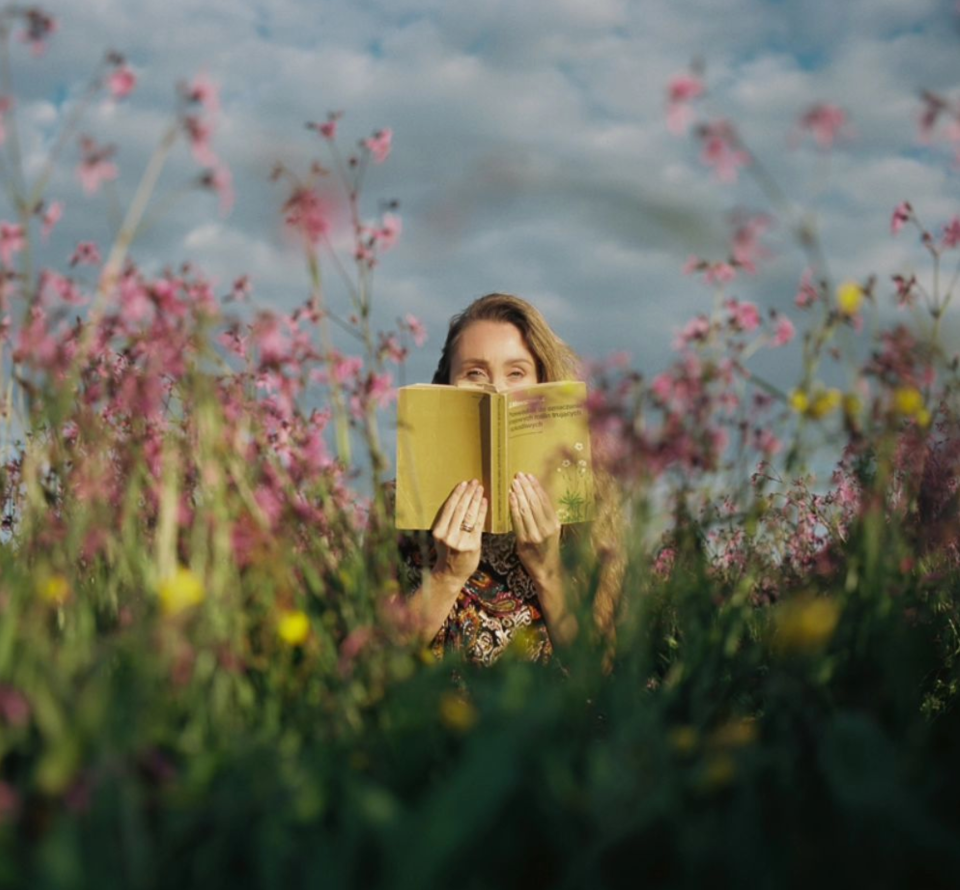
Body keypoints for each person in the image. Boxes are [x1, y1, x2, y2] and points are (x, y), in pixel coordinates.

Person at [396, 293, 622, 667]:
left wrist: (547, 570)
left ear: (543, 384)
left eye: (516, 373)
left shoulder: (583, 506)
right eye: (475, 373)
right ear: (446, 386)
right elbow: (372, 665)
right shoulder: (399, 504)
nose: (497, 391)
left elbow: (601, 669)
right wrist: (444, 577)